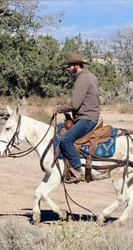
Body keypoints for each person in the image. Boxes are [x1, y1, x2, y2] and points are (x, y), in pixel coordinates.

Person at [53, 53, 100, 183]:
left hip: (87, 118)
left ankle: (78, 170)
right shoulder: (90, 76)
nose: (67, 68)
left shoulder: (82, 79)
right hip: (89, 115)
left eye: (69, 66)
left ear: (76, 65)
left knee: (66, 139)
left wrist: (59, 109)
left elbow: (75, 104)